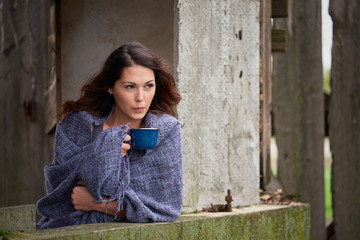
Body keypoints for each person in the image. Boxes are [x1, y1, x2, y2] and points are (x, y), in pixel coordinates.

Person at [36, 42, 183, 229]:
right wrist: (107, 151)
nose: (141, 98)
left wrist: (97, 204)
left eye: (148, 86)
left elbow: (166, 209)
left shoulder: (166, 130)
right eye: (130, 87)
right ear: (110, 87)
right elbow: (60, 191)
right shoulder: (78, 125)